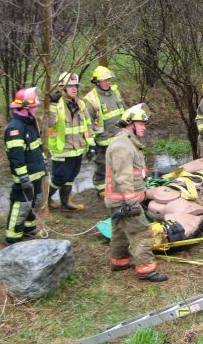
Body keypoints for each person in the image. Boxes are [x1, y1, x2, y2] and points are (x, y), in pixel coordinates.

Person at [105, 103, 167, 282]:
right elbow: (123, 177)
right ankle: (146, 269)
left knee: (119, 231)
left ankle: (120, 261)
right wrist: (131, 201)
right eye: (141, 124)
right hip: (124, 200)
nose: (144, 127)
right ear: (130, 124)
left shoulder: (128, 143)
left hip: (118, 200)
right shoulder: (123, 146)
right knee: (140, 232)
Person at [48, 72, 96, 211]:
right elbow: (49, 123)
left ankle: (66, 203)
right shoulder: (56, 104)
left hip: (78, 148)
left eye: (75, 86)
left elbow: (88, 124)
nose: (74, 89)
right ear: (63, 88)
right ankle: (45, 200)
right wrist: (51, 104)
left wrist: (91, 145)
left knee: (71, 176)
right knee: (59, 178)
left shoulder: (80, 103)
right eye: (70, 86)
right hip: (62, 149)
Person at [4, 88, 46, 243]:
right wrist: (23, 177)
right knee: (20, 205)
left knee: (36, 201)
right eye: (34, 107)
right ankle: (13, 234)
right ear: (25, 108)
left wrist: (43, 162)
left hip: (36, 172)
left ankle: (28, 227)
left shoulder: (30, 123)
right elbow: (16, 157)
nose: (36, 109)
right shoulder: (15, 128)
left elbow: (37, 146)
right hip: (25, 176)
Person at [83, 65, 127, 197]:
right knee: (102, 165)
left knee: (120, 162)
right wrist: (91, 143)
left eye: (109, 79)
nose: (108, 82)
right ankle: (101, 188)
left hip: (120, 135)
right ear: (97, 82)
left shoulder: (115, 92)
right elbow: (87, 123)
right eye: (104, 80)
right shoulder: (91, 99)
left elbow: (123, 110)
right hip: (102, 139)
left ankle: (118, 185)